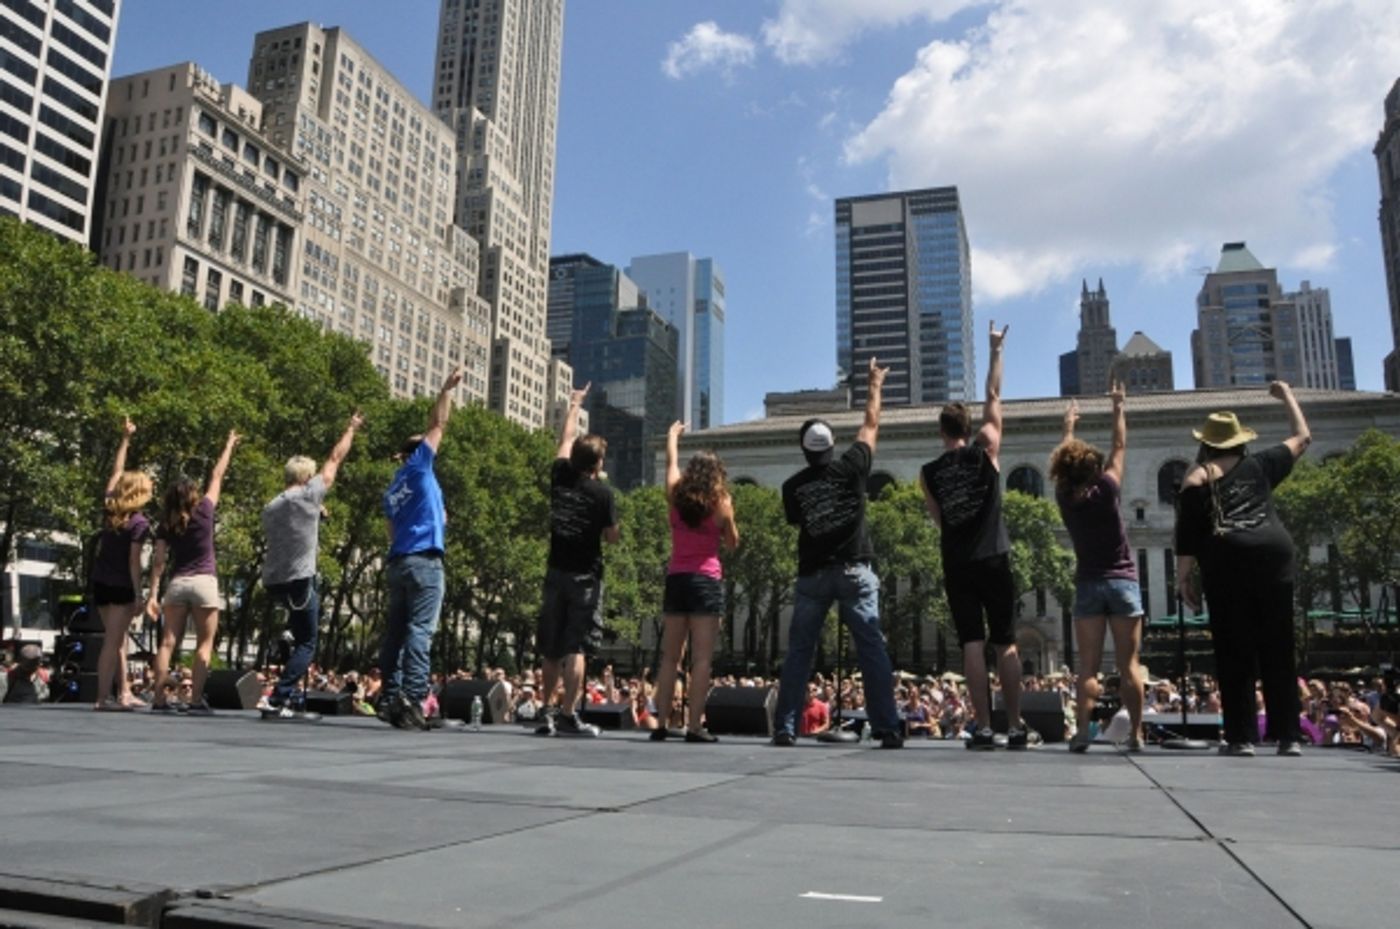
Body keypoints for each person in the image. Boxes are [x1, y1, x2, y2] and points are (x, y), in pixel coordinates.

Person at [771, 356, 903, 749]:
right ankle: (887, 728)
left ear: (804, 449)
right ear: (832, 445)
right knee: (872, 648)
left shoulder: (792, 488)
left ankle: (786, 727)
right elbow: (871, 424)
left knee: (799, 652)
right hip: (855, 572)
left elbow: (797, 522)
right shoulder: (853, 467)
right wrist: (874, 384)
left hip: (812, 576)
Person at [920, 322, 1039, 750]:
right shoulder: (986, 448)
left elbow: (939, 520)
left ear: (941, 432)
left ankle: (984, 728)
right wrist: (995, 349)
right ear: (968, 431)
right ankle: (1017, 727)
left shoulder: (928, 473)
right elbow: (993, 396)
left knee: (972, 643)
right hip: (994, 557)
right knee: (1005, 642)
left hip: (957, 561)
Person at [1175, 381, 1311, 757]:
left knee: (1234, 647)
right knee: (1279, 646)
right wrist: (1287, 396)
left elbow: (1187, 535)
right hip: (1274, 554)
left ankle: (1241, 737)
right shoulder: (1262, 464)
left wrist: (1183, 577)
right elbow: (1303, 437)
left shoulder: (1196, 476)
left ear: (1207, 443)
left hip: (1227, 558)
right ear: (1239, 441)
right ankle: (1288, 736)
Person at [1050, 383, 1146, 752]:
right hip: (1123, 582)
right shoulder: (1107, 489)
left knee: (1087, 667)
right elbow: (1120, 446)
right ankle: (1136, 734)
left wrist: (1068, 428)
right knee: (1128, 665)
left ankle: (1080, 734)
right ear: (1094, 469)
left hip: (1089, 584)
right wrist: (1118, 407)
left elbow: (1065, 461)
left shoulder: (1064, 497)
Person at [258, 411, 364, 719]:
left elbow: (291, 527)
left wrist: (316, 513)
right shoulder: (309, 493)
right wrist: (351, 428)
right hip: (299, 580)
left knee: (299, 626)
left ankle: (288, 635)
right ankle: (278, 699)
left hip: (273, 581)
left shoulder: (271, 506)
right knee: (308, 643)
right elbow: (335, 458)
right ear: (306, 478)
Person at [379, 367, 462, 730]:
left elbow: (391, 531)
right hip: (425, 561)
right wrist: (445, 390)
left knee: (395, 634)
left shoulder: (392, 490)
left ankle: (390, 699)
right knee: (419, 631)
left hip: (398, 562)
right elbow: (439, 423)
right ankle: (414, 700)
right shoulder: (419, 467)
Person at [534, 383, 620, 738]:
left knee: (551, 648)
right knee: (577, 647)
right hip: (585, 577)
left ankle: (546, 711)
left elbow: (566, 438)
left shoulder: (559, 475)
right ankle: (568, 714)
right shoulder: (603, 494)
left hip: (555, 571)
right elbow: (612, 537)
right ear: (598, 464)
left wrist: (574, 404)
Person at [650, 421, 740, 744]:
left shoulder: (675, 493)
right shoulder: (722, 502)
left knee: (669, 657)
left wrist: (672, 436)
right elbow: (732, 543)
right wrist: (727, 524)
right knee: (701, 659)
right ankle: (694, 727)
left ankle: (661, 723)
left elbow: (671, 463)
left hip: (677, 578)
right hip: (706, 581)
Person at [146, 429, 240, 715]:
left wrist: (153, 594)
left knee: (167, 643)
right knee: (204, 644)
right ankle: (196, 700)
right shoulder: (206, 510)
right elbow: (217, 475)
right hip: (204, 582)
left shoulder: (166, 523)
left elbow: (158, 560)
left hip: (177, 583)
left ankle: (159, 700)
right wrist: (229, 445)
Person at [91, 417, 153, 711]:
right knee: (112, 641)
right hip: (121, 586)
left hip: (101, 582)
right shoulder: (139, 522)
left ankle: (124, 691)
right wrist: (139, 593)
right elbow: (133, 560)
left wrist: (125, 439)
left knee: (118, 639)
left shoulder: (109, 508)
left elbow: (116, 472)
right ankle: (102, 698)